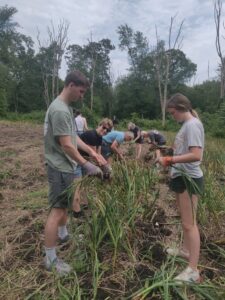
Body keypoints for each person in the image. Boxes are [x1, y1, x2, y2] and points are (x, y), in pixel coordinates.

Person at [43, 70, 105, 275]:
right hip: (60, 167)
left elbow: (73, 138)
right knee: (58, 210)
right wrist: (86, 165)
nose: (82, 95)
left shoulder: (66, 108)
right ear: (70, 85)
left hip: (66, 167)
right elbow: (67, 146)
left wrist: (92, 153)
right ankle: (50, 259)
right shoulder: (60, 110)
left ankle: (63, 234)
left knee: (65, 206)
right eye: (80, 91)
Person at [156, 93, 204, 283]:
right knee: (184, 221)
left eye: (173, 112)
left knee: (189, 224)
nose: (172, 116)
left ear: (181, 108)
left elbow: (196, 155)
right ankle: (185, 251)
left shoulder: (192, 125)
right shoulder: (187, 125)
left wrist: (169, 159)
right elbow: (185, 149)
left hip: (188, 179)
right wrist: (170, 151)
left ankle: (193, 270)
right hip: (180, 177)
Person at [72, 118, 113, 217]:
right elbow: (94, 155)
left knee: (84, 183)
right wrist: (103, 168)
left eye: (108, 130)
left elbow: (99, 154)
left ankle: (84, 204)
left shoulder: (99, 138)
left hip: (85, 161)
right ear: (99, 125)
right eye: (104, 127)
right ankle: (76, 212)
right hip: (76, 160)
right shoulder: (91, 135)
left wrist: (107, 166)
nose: (105, 131)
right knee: (77, 185)